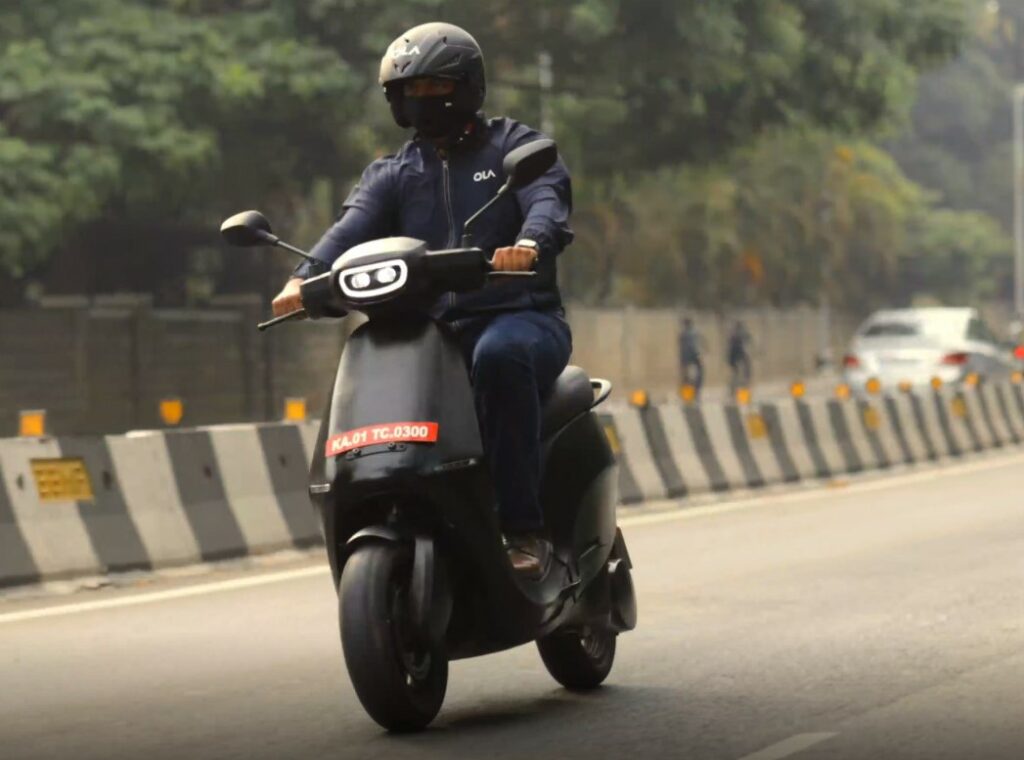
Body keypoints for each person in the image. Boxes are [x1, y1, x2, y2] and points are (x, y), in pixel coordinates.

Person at [271, 23, 573, 579]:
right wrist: (303, 279)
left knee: (499, 357)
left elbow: (545, 201)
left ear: (468, 87)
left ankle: (523, 529)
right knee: (374, 362)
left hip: (520, 318)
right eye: (409, 90)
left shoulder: (514, 148)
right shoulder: (393, 175)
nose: (422, 100)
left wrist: (529, 244)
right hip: (431, 336)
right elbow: (349, 229)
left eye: (435, 87)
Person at [678, 317, 704, 395]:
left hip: (686, 357)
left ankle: (687, 392)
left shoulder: (683, 334)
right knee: (696, 374)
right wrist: (699, 355)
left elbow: (681, 346)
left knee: (686, 376)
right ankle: (694, 391)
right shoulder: (694, 333)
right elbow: (695, 346)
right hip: (692, 356)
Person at [727, 320, 752, 393]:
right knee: (744, 371)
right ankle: (743, 385)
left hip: (733, 356)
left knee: (736, 373)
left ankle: (734, 388)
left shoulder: (732, 334)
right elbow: (748, 338)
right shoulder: (740, 333)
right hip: (737, 354)